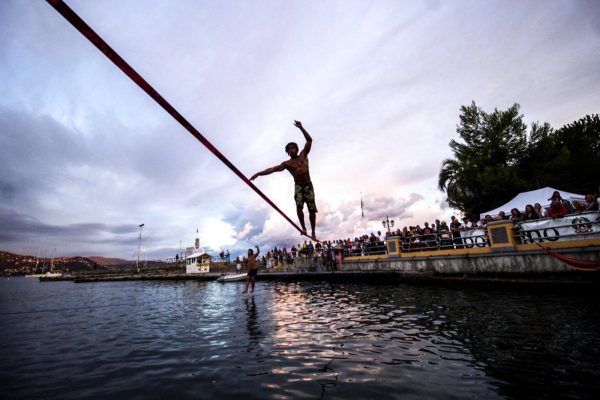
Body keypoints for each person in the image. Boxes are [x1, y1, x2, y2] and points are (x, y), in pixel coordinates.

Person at [250, 120, 318, 241]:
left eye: (293, 148)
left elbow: (309, 141)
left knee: (312, 210)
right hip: (298, 186)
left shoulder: (303, 155)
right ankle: (303, 228)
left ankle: (313, 231)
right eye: (289, 149)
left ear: (297, 149)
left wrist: (301, 128)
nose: (292, 150)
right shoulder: (287, 163)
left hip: (308, 185)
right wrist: (259, 173)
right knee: (299, 207)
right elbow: (273, 169)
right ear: (287, 152)